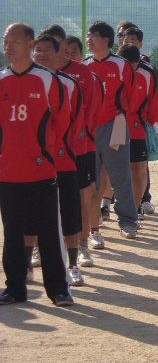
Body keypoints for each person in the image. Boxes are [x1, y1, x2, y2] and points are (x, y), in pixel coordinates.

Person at [0, 23, 73, 306]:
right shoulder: (1, 79)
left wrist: (44, 150)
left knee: (48, 232)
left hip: (41, 169)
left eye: (14, 42)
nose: (8, 46)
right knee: (12, 232)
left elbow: (62, 121)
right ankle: (15, 288)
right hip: (7, 171)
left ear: (30, 45)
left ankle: (58, 289)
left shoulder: (47, 79)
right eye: (5, 41)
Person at [40, 25, 103, 268]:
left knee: (82, 196)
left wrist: (75, 138)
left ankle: (84, 244)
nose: (53, 50)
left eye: (57, 44)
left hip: (78, 147)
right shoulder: (35, 76)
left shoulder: (80, 74)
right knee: (40, 199)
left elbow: (90, 111)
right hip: (43, 152)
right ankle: (37, 249)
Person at [28, 34, 86, 284]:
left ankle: (72, 265)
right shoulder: (23, 82)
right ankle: (29, 263)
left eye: (47, 50)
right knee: (31, 214)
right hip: (31, 162)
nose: (42, 54)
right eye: (37, 50)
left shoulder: (69, 84)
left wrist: (59, 147)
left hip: (64, 160)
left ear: (59, 53)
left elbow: (76, 123)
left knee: (69, 214)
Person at [82, 21, 139, 238]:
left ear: (106, 40)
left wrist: (120, 119)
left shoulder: (121, 65)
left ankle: (128, 221)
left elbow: (131, 97)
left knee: (120, 176)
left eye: (93, 36)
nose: (89, 39)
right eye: (88, 35)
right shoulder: (83, 66)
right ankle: (91, 222)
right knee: (91, 179)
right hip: (89, 129)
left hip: (115, 124)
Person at [116, 43, 158, 219]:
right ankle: (105, 205)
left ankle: (135, 209)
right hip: (114, 126)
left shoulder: (147, 73)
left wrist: (154, 128)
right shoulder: (112, 70)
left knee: (138, 168)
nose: (131, 71)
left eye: (134, 67)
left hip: (137, 128)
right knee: (109, 168)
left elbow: (155, 101)